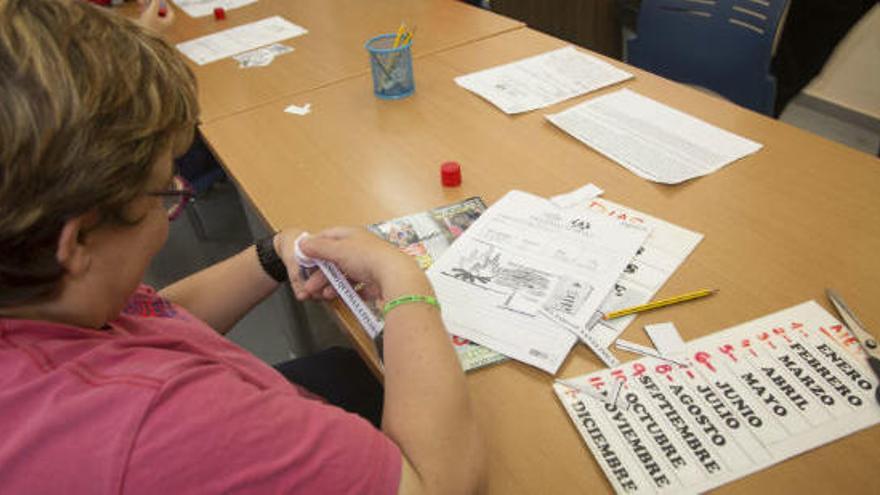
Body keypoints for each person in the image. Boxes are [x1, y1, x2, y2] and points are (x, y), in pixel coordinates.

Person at [0, 0, 484, 493]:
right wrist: (403, 279)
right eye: (166, 191)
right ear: (78, 238)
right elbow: (439, 484)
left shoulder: (47, 299)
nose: (171, 209)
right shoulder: (166, 427)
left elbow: (149, 318)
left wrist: (272, 254)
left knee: (344, 367)